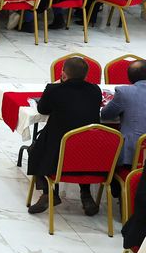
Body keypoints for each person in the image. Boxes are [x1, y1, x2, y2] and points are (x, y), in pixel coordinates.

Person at [27, 56, 105, 215]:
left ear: (63, 74)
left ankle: (49, 193)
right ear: (86, 75)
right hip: (90, 150)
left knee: (35, 149)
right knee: (81, 149)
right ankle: (86, 194)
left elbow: (42, 109)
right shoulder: (95, 90)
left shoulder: (54, 90)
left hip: (59, 149)